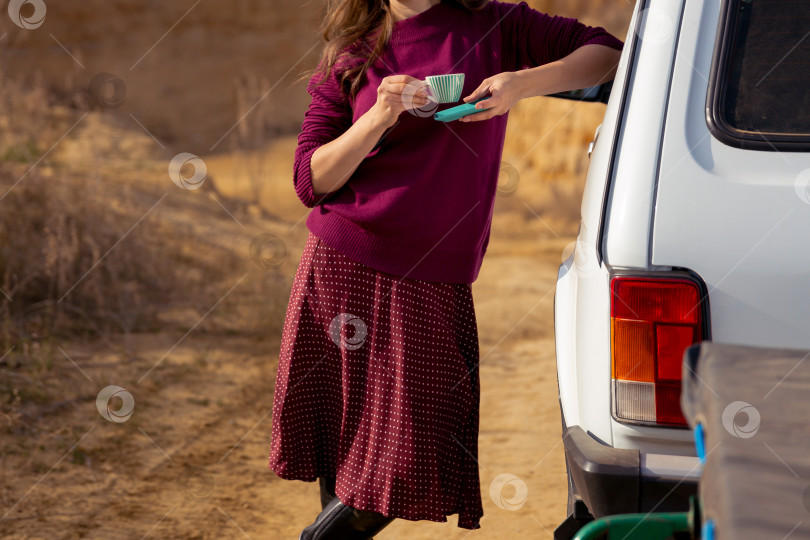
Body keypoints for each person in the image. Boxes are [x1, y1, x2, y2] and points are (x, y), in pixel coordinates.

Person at [268, 0, 623, 538]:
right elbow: (310, 181)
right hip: (344, 268)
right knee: (345, 448)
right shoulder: (355, 51)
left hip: (434, 282)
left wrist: (519, 86)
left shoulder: (497, 24)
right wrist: (379, 117)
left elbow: (606, 55)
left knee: (419, 447)